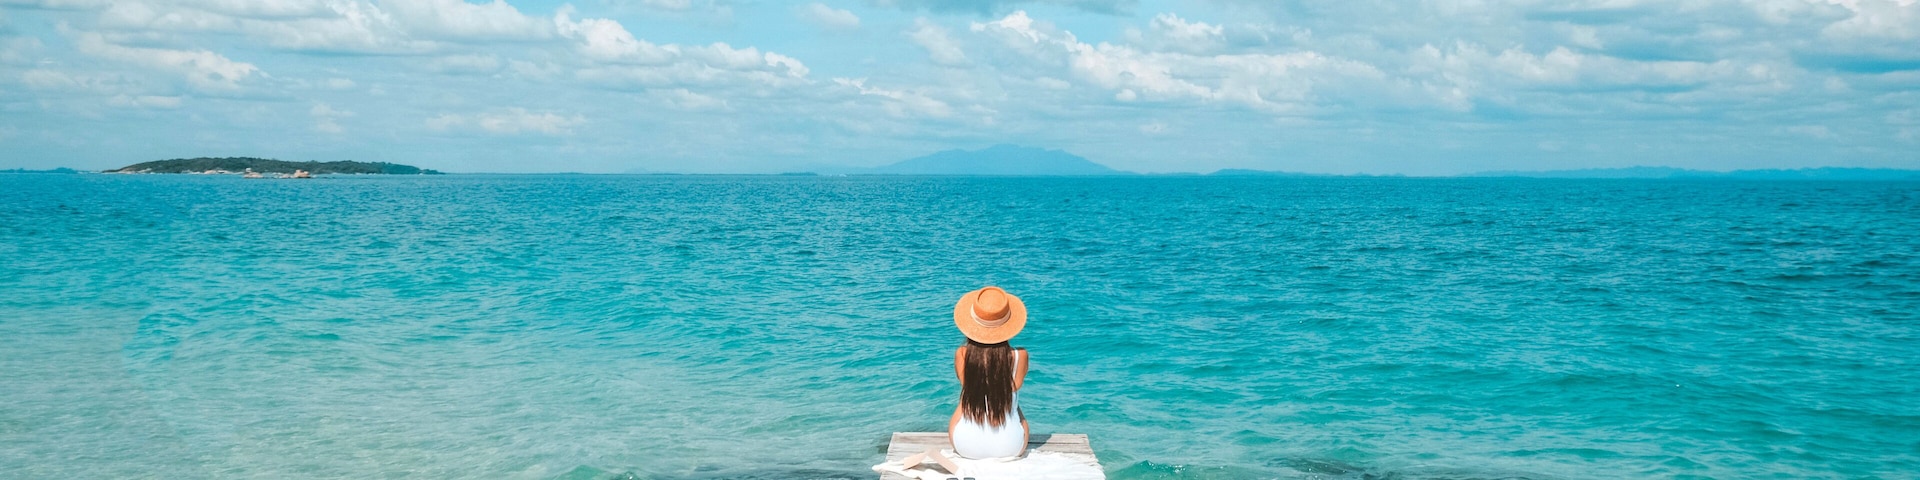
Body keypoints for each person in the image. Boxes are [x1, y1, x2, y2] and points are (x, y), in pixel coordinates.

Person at [947, 286, 1031, 459]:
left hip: (966, 446)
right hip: (1010, 447)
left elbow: (967, 388)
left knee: (964, 400)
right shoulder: (1020, 356)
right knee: (1017, 412)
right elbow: (1014, 387)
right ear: (1008, 324)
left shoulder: (962, 354)